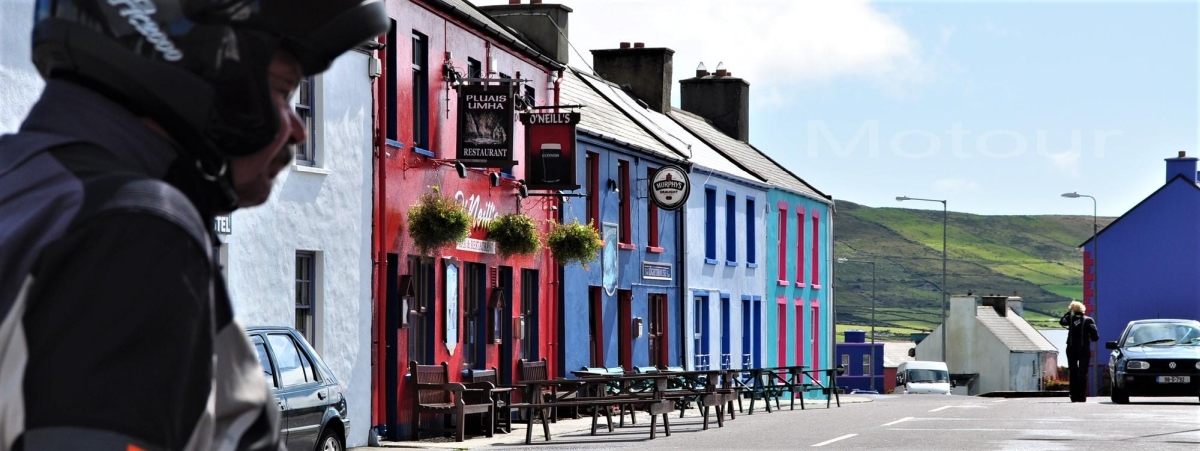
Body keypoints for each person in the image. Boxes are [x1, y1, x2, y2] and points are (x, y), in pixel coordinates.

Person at [0, 1, 388, 450]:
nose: (299, 131)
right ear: (210, 76)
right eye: (283, 92)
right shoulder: (135, 231)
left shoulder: (28, 187)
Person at [1059, 299, 1099, 403]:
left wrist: (1068, 313)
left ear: (1072, 310)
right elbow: (1095, 337)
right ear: (1082, 309)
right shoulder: (1089, 320)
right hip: (1084, 349)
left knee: (1073, 372)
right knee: (1083, 373)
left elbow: (1062, 321)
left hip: (1071, 349)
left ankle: (1073, 395)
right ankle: (1081, 396)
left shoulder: (1070, 319)